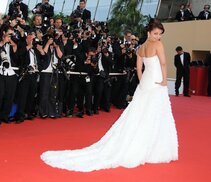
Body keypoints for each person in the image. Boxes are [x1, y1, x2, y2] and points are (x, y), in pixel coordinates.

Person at [40, 18, 178, 172]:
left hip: (146, 82)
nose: (158, 37)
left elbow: (139, 68)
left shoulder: (141, 47)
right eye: (156, 33)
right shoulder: (157, 45)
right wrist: (165, 80)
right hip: (157, 81)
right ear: (148, 32)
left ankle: (145, 145)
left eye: (160, 34)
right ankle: (152, 147)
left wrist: (142, 82)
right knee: (154, 113)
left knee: (141, 114)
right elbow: (164, 64)